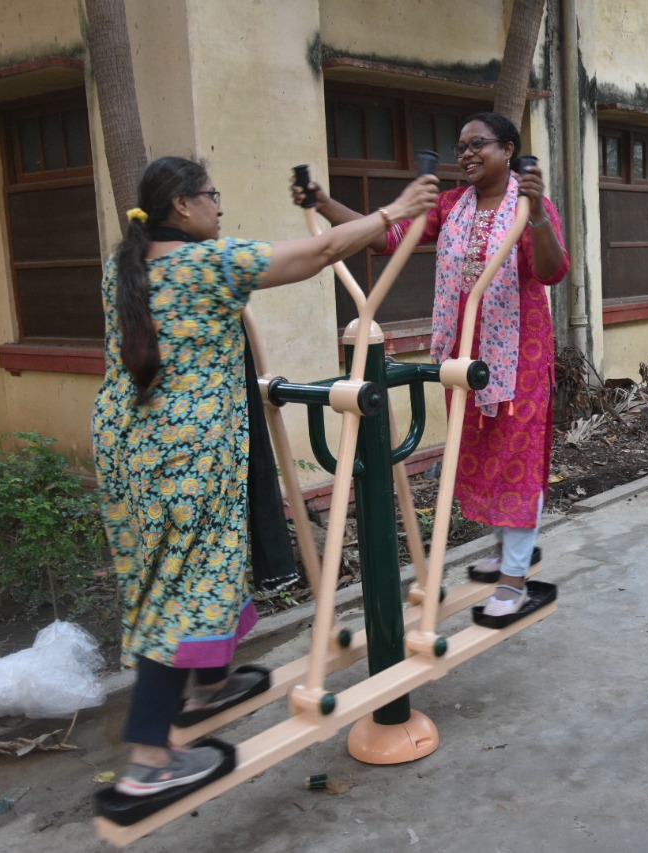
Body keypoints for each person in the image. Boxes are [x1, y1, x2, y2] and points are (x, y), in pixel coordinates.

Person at [93, 155, 437, 796]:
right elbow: (319, 252)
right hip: (185, 456)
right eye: (211, 195)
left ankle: (213, 684)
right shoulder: (208, 264)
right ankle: (147, 758)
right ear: (183, 208)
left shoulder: (126, 266)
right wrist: (395, 212)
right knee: (185, 586)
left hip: (128, 447)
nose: (219, 205)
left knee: (177, 570)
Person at [294, 112, 569, 621]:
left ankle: (513, 580)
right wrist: (324, 203)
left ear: (508, 150)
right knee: (483, 455)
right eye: (460, 147)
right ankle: (511, 550)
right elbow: (386, 238)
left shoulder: (530, 205)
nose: (465, 154)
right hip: (464, 354)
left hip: (520, 359)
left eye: (477, 145)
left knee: (517, 459)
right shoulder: (450, 206)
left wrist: (537, 218)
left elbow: (552, 271)